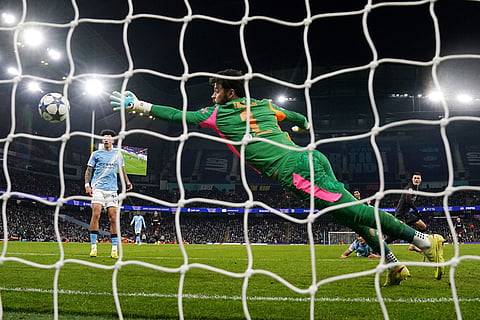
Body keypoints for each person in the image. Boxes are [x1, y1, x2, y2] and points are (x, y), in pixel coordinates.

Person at [110, 69, 445, 284]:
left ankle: (425, 242)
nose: (211, 95)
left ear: (228, 91)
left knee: (351, 211)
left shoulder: (213, 114)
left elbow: (176, 115)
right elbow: (299, 118)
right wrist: (301, 127)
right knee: (347, 216)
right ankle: (393, 266)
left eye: (215, 90)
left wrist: (138, 105)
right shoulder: (265, 105)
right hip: (307, 158)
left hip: (294, 170)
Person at [85, 129, 133, 259]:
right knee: (96, 214)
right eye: (104, 138)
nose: (106, 140)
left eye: (109, 138)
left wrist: (128, 182)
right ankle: (94, 247)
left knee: (113, 218)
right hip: (98, 188)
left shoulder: (118, 154)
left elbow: (122, 171)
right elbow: (88, 170)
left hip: (112, 190)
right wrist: (87, 185)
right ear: (102, 140)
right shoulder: (96, 154)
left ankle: (114, 249)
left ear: (113, 140)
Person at [386, 172, 426, 253]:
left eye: (418, 178)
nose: (416, 180)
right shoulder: (409, 188)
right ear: (412, 179)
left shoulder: (415, 189)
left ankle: (414, 245)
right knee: (397, 234)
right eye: (415, 178)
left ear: (421, 180)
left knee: (423, 226)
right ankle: (382, 245)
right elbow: (408, 201)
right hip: (401, 214)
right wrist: (417, 211)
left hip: (407, 214)